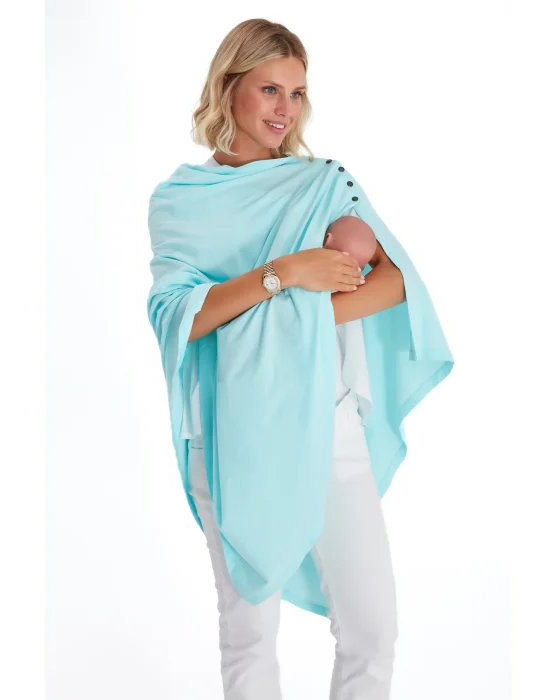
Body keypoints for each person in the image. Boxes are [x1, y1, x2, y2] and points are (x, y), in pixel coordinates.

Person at [148, 17, 454, 700]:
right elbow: (179, 318)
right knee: (248, 636)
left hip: (327, 423)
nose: (285, 109)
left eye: (297, 93)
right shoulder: (179, 202)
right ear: (227, 88)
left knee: (372, 631)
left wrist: (287, 318)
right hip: (228, 434)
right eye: (269, 89)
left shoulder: (322, 183)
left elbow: (395, 283)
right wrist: (286, 274)